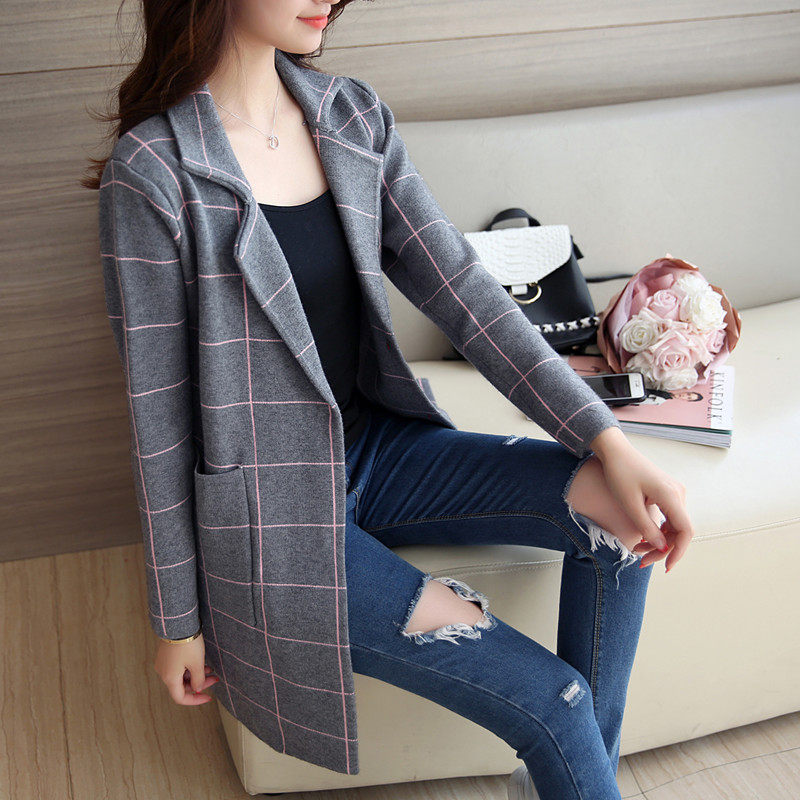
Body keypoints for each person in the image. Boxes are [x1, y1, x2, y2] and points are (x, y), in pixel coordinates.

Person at [87, 1, 695, 797]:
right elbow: (158, 420)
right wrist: (176, 622)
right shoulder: (154, 172)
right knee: (556, 700)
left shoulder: (350, 116)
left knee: (621, 524)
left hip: (382, 451)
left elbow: (466, 297)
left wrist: (606, 441)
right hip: (273, 523)